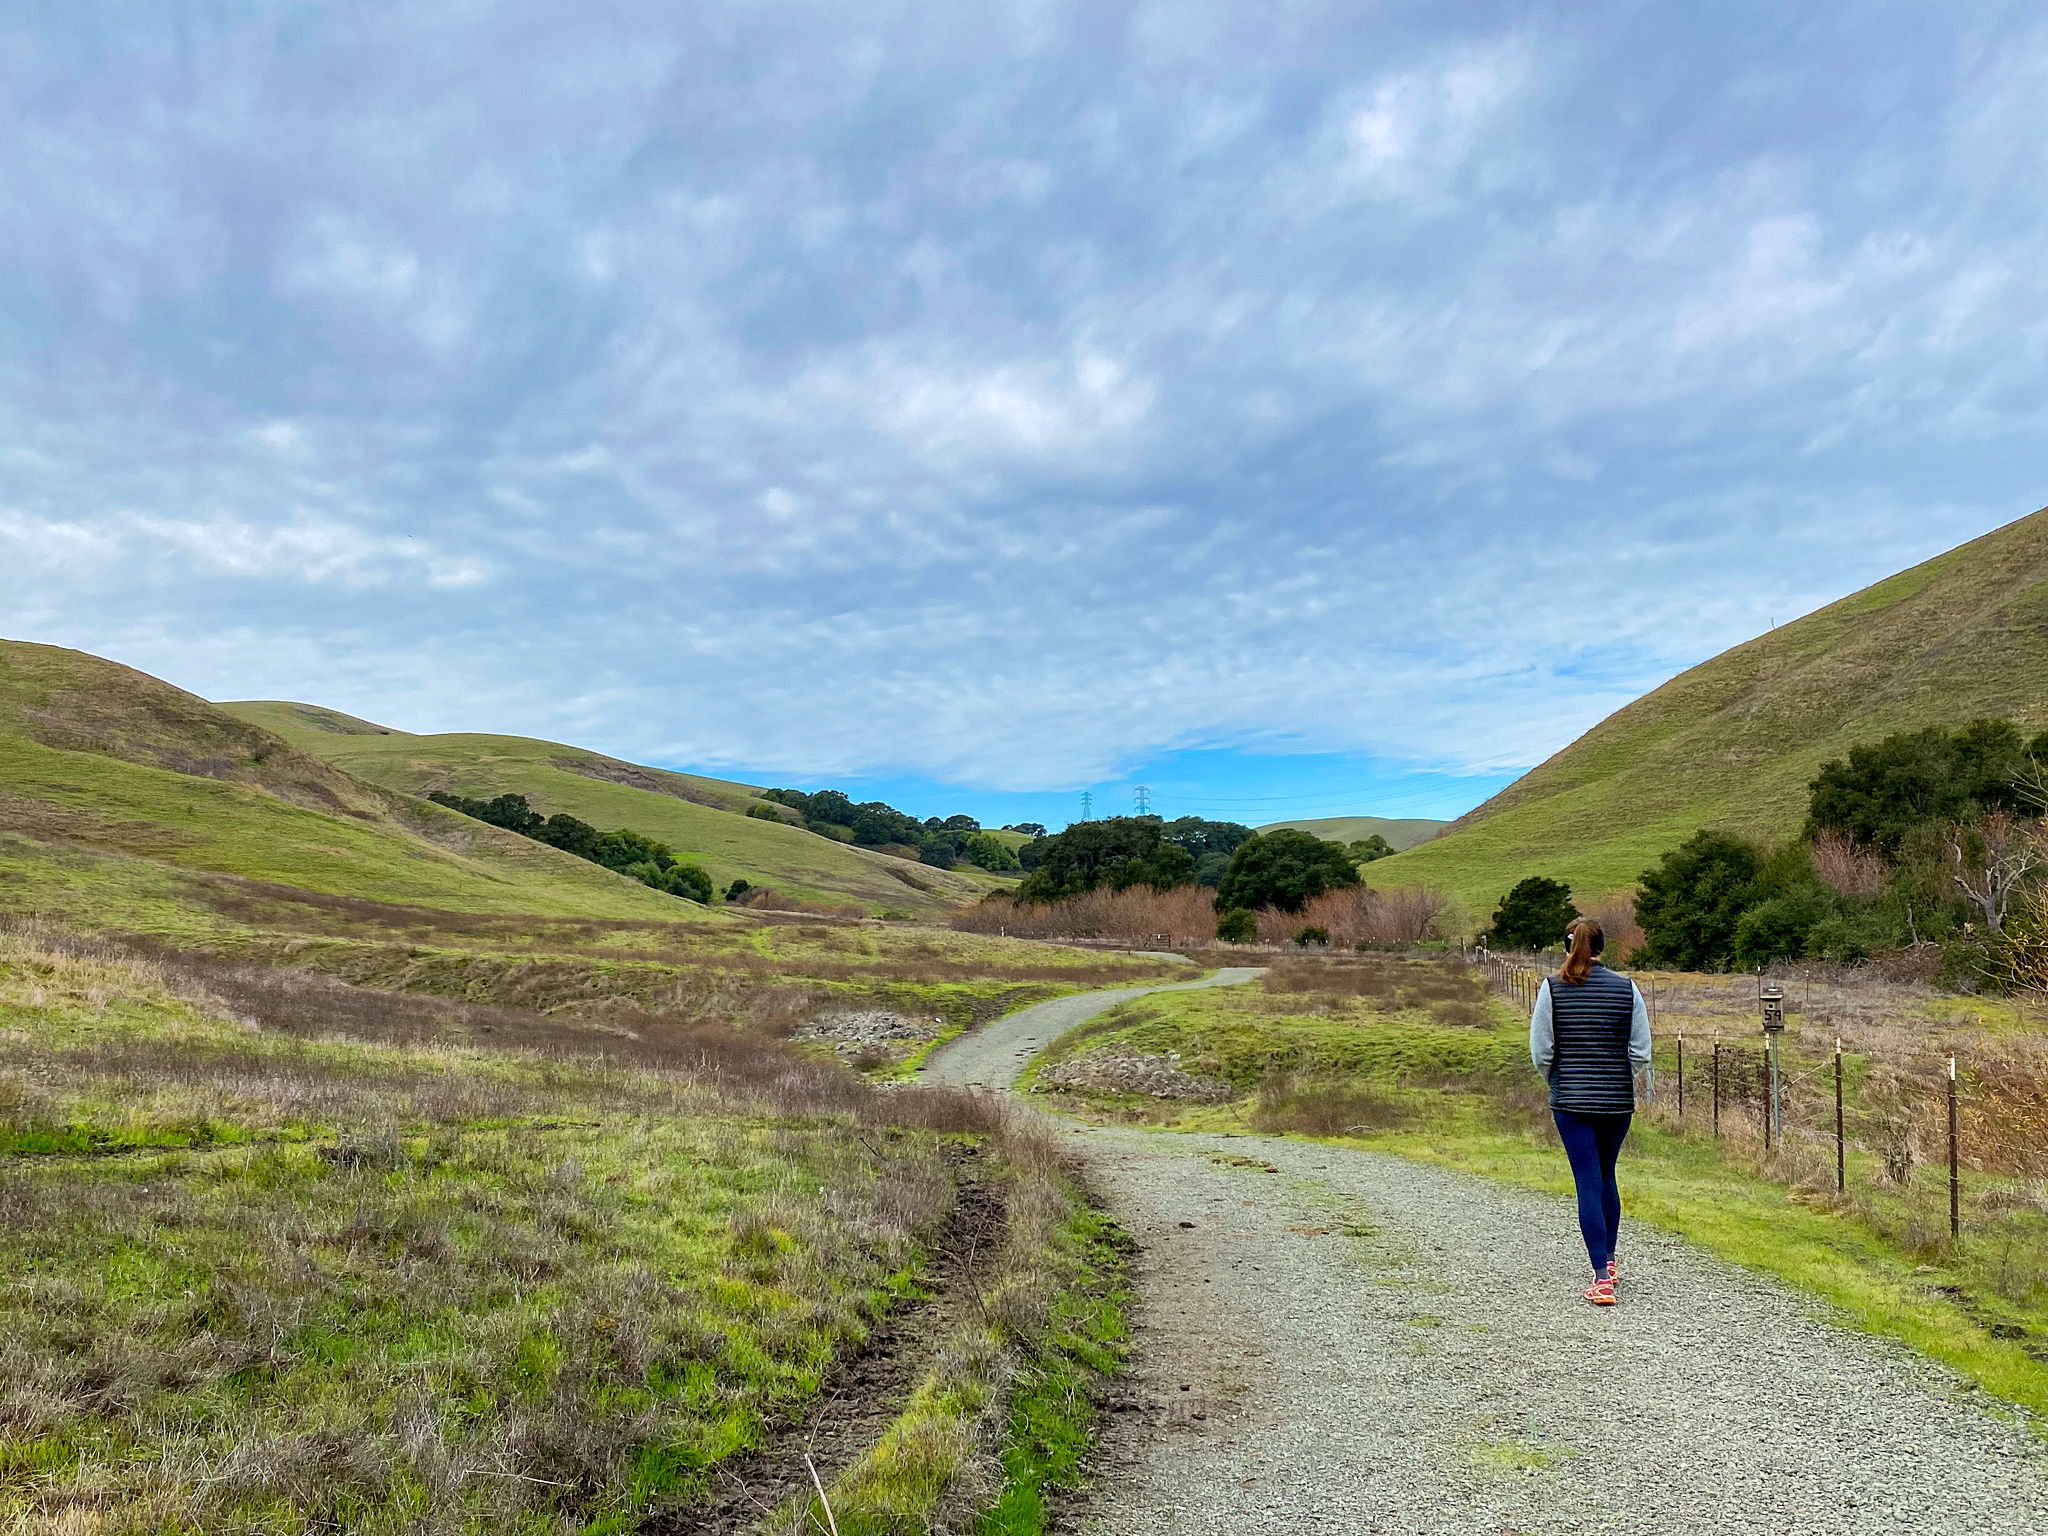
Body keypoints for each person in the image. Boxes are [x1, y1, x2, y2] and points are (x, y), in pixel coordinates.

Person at [1528, 916, 1651, 1305]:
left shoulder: (1551, 988)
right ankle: (1610, 1261)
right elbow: (1640, 1052)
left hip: (1572, 1102)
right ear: (1601, 948)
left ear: (1568, 946)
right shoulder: (1627, 988)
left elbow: (1541, 1051)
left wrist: (1560, 1080)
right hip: (1617, 1102)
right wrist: (1615, 1076)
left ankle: (1600, 1276)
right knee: (1605, 1174)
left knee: (1586, 1180)